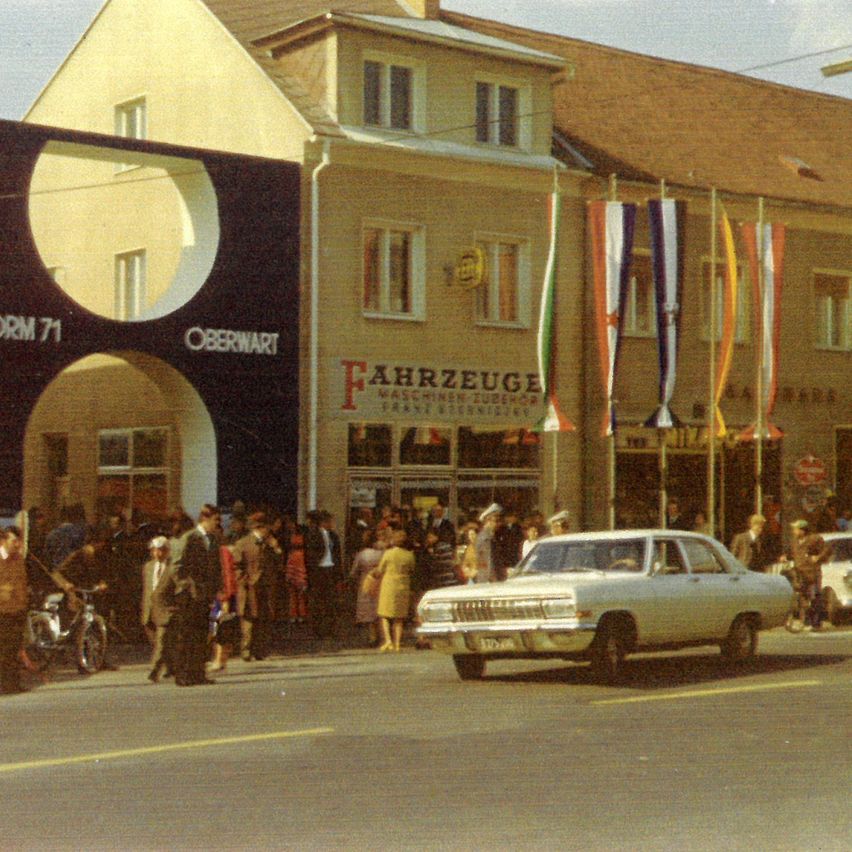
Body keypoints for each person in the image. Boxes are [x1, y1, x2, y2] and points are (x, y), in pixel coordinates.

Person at [173, 504, 222, 686]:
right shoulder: (190, 538)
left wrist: (217, 589)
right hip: (189, 595)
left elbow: (216, 568)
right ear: (205, 519)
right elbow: (177, 566)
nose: (217, 524)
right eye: (215, 520)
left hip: (205, 595)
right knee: (187, 636)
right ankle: (183, 674)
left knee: (202, 636)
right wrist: (185, 586)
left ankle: (198, 673)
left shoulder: (213, 539)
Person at [232, 512, 282, 661]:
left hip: (266, 587)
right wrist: (245, 581)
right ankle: (246, 650)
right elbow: (236, 566)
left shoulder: (269, 543)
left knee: (263, 619)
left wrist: (276, 548)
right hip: (249, 587)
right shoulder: (243, 543)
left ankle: (260, 650)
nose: (269, 531)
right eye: (267, 528)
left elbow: (278, 563)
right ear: (260, 528)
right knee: (248, 620)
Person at [780, 519, 832, 631]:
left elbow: (827, 550)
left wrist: (818, 557)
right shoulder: (794, 541)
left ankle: (816, 623)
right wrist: (785, 557)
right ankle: (806, 621)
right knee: (803, 599)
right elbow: (792, 554)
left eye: (796, 529)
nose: (793, 531)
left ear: (803, 530)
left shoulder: (815, 539)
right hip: (799, 573)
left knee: (815, 598)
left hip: (813, 572)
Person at [140, 536, 177, 683]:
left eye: (161, 550)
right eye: (155, 550)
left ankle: (154, 671)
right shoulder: (148, 567)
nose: (158, 553)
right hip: (149, 610)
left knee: (162, 642)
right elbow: (146, 589)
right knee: (156, 642)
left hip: (165, 609)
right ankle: (171, 667)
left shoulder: (173, 567)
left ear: (167, 551)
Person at [371, 530, 415, 652]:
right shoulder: (409, 555)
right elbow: (412, 569)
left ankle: (388, 641)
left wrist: (374, 573)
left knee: (384, 614)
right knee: (399, 617)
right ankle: (397, 644)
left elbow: (380, 570)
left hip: (389, 585)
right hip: (403, 585)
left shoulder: (388, 553)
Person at [304, 510, 343, 640]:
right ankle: (317, 630)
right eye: (329, 521)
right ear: (323, 522)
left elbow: (338, 555)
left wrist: (339, 574)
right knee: (317, 602)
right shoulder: (313, 535)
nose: (331, 524)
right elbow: (310, 556)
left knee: (330, 602)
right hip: (318, 571)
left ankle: (330, 629)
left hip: (330, 569)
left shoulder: (334, 536)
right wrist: (311, 571)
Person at [0, 527, 29, 694]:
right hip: (2, 611)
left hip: (17, 610)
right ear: (3, 541)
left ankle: (12, 683)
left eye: (18, 541)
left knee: (14, 649)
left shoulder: (18, 559)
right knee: (3, 650)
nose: (17, 544)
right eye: (13, 541)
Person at [209, 538, 240, 673]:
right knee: (219, 628)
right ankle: (220, 660)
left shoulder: (222, 552)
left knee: (220, 628)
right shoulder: (220, 552)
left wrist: (225, 597)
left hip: (222, 596)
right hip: (220, 595)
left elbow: (227, 575)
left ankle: (219, 660)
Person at [350, 529, 384, 645]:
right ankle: (382, 634)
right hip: (380, 581)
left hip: (366, 581)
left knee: (368, 607)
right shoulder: (382, 554)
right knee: (378, 607)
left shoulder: (362, 554)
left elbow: (354, 571)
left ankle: (372, 635)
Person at [474, 503, 501, 583]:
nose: (498, 524)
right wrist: (493, 580)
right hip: (488, 580)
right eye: (496, 521)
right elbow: (488, 560)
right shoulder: (486, 538)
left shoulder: (489, 536)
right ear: (488, 521)